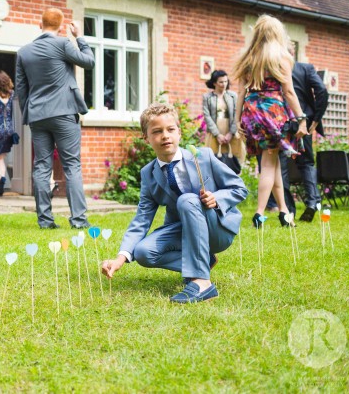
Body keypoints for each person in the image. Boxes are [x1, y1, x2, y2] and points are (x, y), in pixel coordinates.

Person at [100, 103, 247, 303]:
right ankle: (205, 262)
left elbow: (239, 188)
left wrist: (217, 199)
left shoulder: (203, 157)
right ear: (146, 138)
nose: (165, 136)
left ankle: (202, 282)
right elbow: (142, 218)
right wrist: (120, 258)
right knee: (143, 252)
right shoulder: (148, 174)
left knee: (187, 200)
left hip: (217, 229)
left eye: (170, 130)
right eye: (157, 131)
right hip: (183, 231)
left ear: (179, 132)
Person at [15, 8, 94, 229]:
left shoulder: (24, 52)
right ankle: (78, 220)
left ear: (40, 25)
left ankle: (45, 221)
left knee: (41, 166)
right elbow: (89, 62)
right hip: (64, 112)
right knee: (72, 166)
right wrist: (79, 37)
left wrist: (28, 114)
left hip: (38, 115)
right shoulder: (63, 44)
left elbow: (21, 89)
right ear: (61, 27)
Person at [233, 15, 308, 229]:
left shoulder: (248, 57)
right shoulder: (281, 57)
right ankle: (259, 213)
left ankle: (284, 211)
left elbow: (240, 92)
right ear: (277, 34)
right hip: (272, 112)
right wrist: (301, 118)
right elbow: (289, 92)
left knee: (272, 163)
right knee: (268, 164)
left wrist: (237, 120)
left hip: (251, 111)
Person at [280, 42, 328, 222]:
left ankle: (288, 209)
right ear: (293, 53)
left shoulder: (276, 70)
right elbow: (322, 90)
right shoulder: (306, 68)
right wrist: (315, 119)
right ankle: (312, 202)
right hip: (304, 121)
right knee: (307, 163)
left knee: (282, 166)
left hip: (283, 122)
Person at [202, 69, 246, 166]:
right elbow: (207, 116)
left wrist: (231, 133)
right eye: (221, 82)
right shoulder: (207, 97)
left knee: (233, 160)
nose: (224, 84)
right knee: (213, 160)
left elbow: (237, 114)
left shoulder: (233, 96)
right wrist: (217, 135)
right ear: (214, 83)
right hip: (215, 132)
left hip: (231, 131)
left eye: (226, 81)